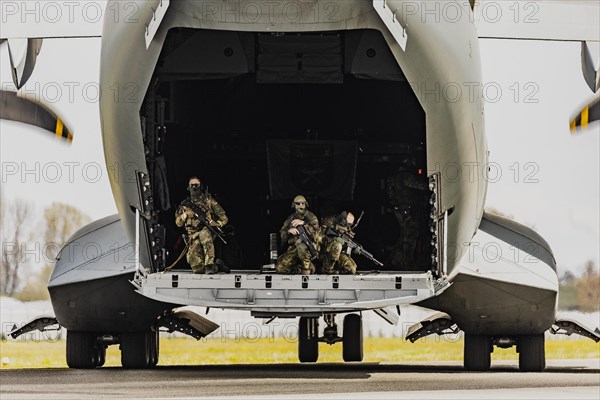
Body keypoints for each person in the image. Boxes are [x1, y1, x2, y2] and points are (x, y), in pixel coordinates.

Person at [175, 177, 228, 274]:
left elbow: (224, 217)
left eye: (196, 185)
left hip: (206, 231)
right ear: (188, 187)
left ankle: (209, 265)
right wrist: (185, 215)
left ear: (201, 187)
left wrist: (217, 224)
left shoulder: (209, 201)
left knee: (205, 233)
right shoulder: (184, 205)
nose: (194, 187)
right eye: (192, 185)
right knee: (197, 269)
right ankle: (217, 266)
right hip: (193, 236)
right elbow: (178, 223)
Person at [275, 195, 320, 275]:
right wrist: (289, 231)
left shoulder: (311, 217)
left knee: (302, 247)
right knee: (280, 268)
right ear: (294, 205)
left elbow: (317, 231)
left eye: (302, 203)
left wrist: (304, 223)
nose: (300, 206)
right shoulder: (291, 218)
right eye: (298, 204)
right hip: (295, 248)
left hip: (309, 248)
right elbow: (282, 233)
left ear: (306, 204)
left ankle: (306, 268)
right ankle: (303, 267)